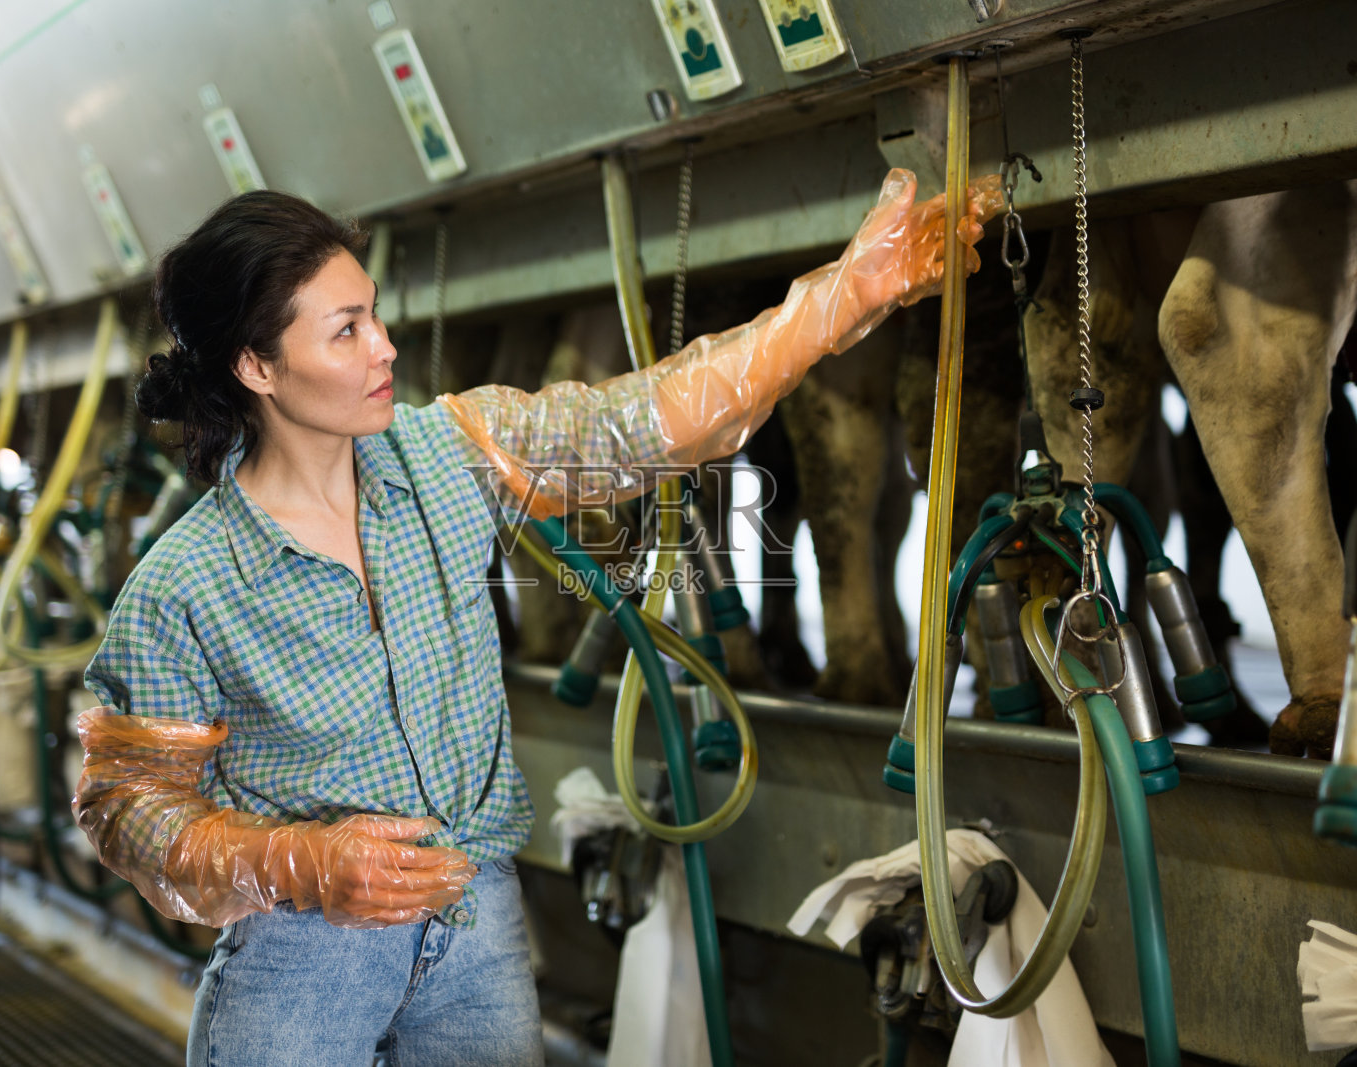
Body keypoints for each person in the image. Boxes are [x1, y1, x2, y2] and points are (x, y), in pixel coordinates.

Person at [72, 169, 1000, 1067]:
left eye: (376, 315)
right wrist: (297, 861)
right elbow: (129, 808)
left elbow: (642, 423)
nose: (385, 348)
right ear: (255, 365)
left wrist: (842, 297)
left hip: (475, 939)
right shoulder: (182, 584)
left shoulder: (449, 455)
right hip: (303, 962)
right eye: (346, 331)